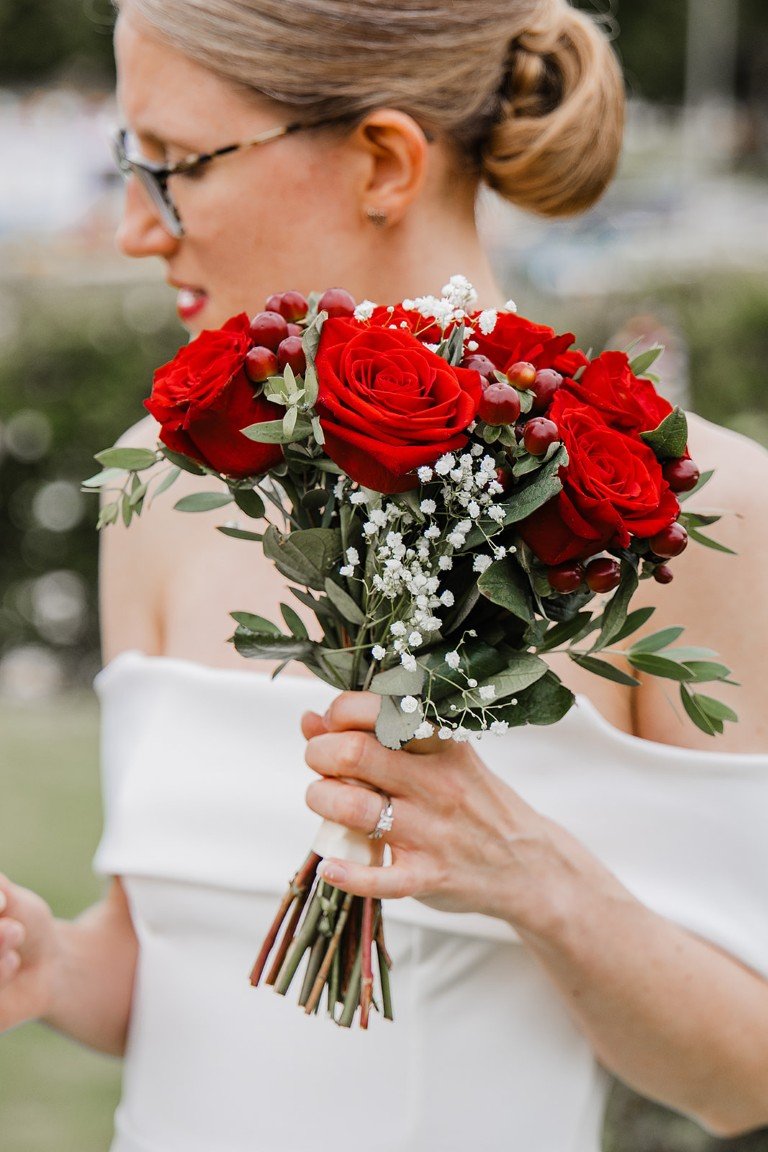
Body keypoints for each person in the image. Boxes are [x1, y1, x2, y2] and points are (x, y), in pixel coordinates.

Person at [2, 1, 768, 1149]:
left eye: (174, 168)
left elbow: (744, 1080)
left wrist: (527, 876)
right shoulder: (163, 487)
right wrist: (52, 963)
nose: (133, 229)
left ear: (383, 162)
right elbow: (161, 964)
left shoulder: (687, 509)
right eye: (130, 164)